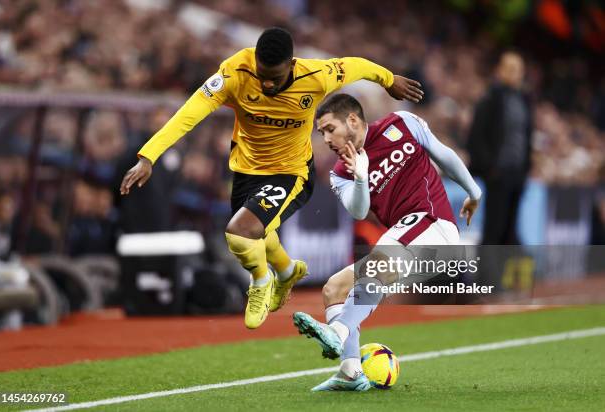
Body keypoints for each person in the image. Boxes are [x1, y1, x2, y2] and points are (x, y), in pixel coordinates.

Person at [119, 27, 424, 329]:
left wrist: (389, 79)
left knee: (239, 232)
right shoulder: (235, 72)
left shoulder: (316, 76)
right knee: (257, 234)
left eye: (275, 78)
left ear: (291, 65)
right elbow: (191, 112)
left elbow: (356, 65)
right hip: (246, 169)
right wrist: (149, 155)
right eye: (262, 74)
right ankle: (287, 270)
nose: (266, 83)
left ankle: (261, 281)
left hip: (291, 173)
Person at [292, 94, 481, 391]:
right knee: (333, 289)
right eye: (322, 133)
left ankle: (338, 331)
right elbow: (358, 210)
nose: (326, 138)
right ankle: (350, 371)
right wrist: (360, 177)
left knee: (381, 259)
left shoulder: (402, 123)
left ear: (352, 120)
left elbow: (442, 154)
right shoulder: (340, 173)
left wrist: (473, 191)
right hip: (406, 242)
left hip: (434, 226)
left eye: (330, 129)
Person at [467, 51, 532, 245]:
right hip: (497, 173)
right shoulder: (490, 98)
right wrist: (490, 168)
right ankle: (487, 274)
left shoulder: (524, 99)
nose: (515, 73)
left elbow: (526, 136)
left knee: (510, 230)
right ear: (500, 70)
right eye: (510, 68)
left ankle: (504, 274)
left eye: (518, 69)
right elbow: (476, 136)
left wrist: (525, 168)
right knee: (493, 229)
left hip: (517, 174)